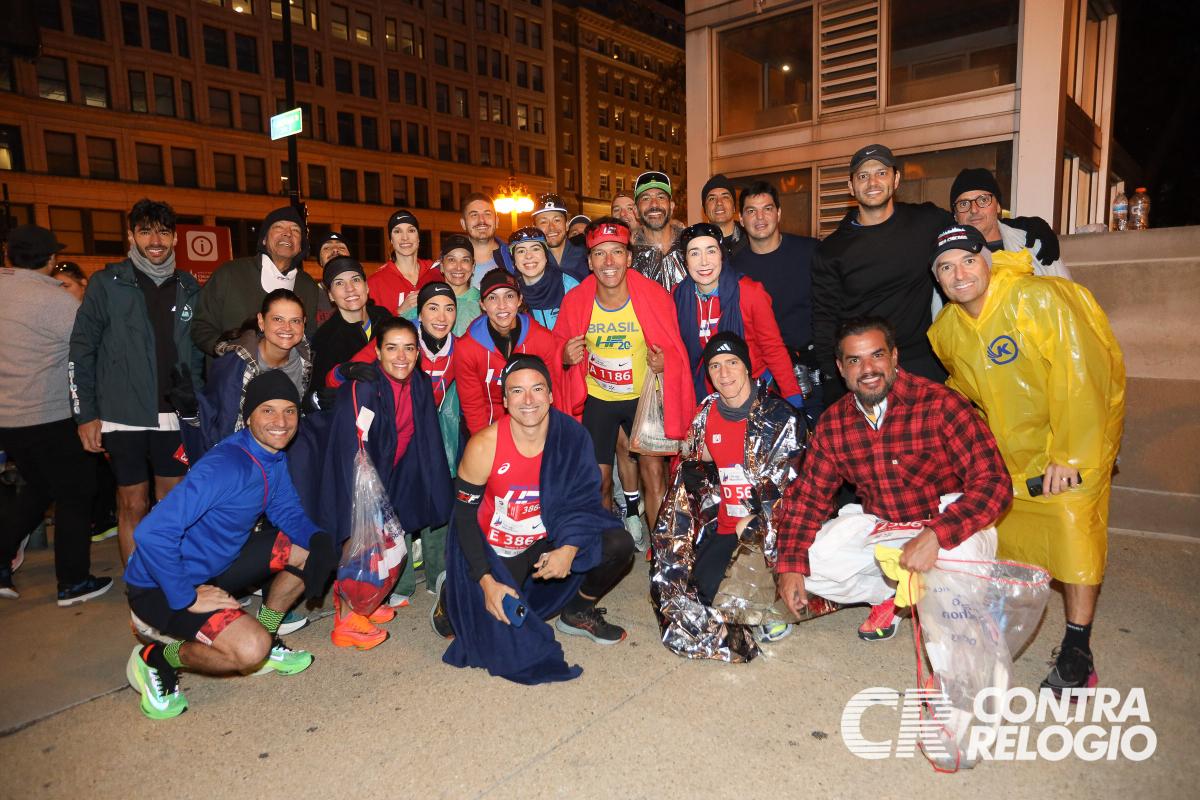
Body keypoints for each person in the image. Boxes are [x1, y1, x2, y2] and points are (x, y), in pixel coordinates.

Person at [926, 224, 1124, 695]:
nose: (959, 274)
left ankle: (1078, 646)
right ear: (937, 280)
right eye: (946, 268)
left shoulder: (1040, 298)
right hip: (1010, 457)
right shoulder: (946, 331)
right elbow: (964, 395)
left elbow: (1083, 371)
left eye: (968, 260)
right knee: (1008, 549)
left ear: (987, 261)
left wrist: (1070, 453)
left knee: (1075, 541)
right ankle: (995, 638)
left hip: (1073, 441)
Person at [775, 317, 1012, 642]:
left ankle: (953, 654)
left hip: (950, 528)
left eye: (877, 355)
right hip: (888, 528)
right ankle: (895, 596)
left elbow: (994, 484)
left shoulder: (940, 404)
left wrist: (934, 536)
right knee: (809, 564)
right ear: (841, 369)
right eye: (855, 360)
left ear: (895, 357)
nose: (868, 369)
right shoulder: (834, 423)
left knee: (952, 580)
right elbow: (808, 498)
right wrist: (790, 565)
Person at [123, 371, 335, 719]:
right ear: (249, 415)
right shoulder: (227, 465)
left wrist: (319, 541)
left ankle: (267, 634)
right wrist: (186, 596)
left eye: (289, 411)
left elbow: (285, 509)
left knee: (307, 546)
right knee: (248, 650)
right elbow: (150, 533)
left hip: (216, 568)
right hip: (160, 585)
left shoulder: (270, 454)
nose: (281, 422)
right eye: (268, 411)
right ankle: (157, 659)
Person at [438, 354, 635, 684]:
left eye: (537, 389)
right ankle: (452, 600)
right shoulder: (484, 445)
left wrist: (570, 548)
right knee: (503, 640)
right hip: (497, 549)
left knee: (618, 543)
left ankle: (577, 611)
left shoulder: (571, 436)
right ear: (504, 399)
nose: (528, 400)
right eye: (517, 391)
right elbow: (464, 519)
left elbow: (585, 502)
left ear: (551, 395)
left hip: (549, 538)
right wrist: (486, 580)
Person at [653, 333, 813, 661]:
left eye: (732, 363)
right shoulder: (707, 415)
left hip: (769, 529)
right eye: (715, 366)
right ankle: (754, 605)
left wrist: (761, 519)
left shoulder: (779, 417)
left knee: (731, 590)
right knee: (690, 593)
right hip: (726, 528)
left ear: (747, 368)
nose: (724, 373)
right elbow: (693, 472)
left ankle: (771, 605)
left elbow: (798, 489)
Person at [69, 199, 204, 564]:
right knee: (132, 502)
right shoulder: (106, 283)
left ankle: (170, 580)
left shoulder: (190, 287)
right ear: (131, 236)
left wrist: (199, 405)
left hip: (174, 414)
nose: (155, 240)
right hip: (120, 413)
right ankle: (139, 593)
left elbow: (198, 353)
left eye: (163, 231)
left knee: (174, 503)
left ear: (176, 238)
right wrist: (85, 414)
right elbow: (81, 351)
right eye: (145, 231)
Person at [556, 218, 694, 544]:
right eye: (600, 254)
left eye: (616, 252)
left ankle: (662, 552)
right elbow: (556, 351)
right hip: (597, 400)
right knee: (599, 481)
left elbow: (675, 350)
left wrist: (664, 364)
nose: (608, 262)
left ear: (629, 257)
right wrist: (564, 356)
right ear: (589, 262)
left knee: (654, 476)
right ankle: (609, 549)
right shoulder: (575, 301)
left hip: (641, 397)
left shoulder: (654, 296)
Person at [320, 318, 453, 649]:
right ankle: (347, 619)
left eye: (409, 348)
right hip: (358, 475)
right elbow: (352, 445)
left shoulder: (418, 382)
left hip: (390, 470)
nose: (401, 357)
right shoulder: (366, 384)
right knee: (357, 540)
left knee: (376, 541)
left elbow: (421, 436)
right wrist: (364, 494)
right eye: (391, 348)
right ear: (377, 351)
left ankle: (361, 602)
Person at [0, 225, 110, 605]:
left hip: (7, 419)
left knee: (40, 488)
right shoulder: (54, 301)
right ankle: (73, 582)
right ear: (49, 260)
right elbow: (92, 348)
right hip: (48, 415)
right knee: (77, 494)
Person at [811, 145, 953, 405]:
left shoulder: (926, 222)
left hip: (920, 362)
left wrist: (1023, 228)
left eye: (881, 173)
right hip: (865, 369)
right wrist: (834, 379)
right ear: (851, 187)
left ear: (896, 179)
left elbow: (973, 227)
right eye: (863, 176)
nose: (872, 182)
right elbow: (824, 321)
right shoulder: (832, 250)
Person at [672, 223, 803, 406]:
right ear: (685, 261)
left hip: (753, 391)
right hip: (703, 395)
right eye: (694, 253)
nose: (704, 261)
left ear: (721, 255)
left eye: (711, 251)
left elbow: (773, 348)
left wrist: (793, 398)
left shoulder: (749, 292)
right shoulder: (678, 297)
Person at [730, 181, 822, 421]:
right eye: (751, 211)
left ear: (779, 213)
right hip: (762, 376)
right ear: (741, 218)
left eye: (767, 209)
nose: (760, 217)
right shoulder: (733, 270)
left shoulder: (810, 252)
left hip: (811, 369)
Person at [190, 290, 311, 455]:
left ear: (304, 323)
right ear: (261, 321)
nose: (287, 328)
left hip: (285, 454)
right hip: (239, 455)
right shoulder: (234, 365)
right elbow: (219, 423)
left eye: (295, 321)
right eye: (277, 319)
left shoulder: (306, 360)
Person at [191, 206, 319, 357]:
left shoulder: (308, 286)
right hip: (234, 376)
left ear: (300, 247)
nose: (287, 233)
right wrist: (226, 350)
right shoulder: (230, 273)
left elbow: (309, 335)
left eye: (296, 230)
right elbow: (200, 324)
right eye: (278, 227)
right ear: (264, 239)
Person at [456, 268, 564, 434]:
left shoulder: (542, 340)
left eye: (509, 296)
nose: (502, 305)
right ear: (482, 304)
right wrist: (485, 446)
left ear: (520, 300)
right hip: (490, 429)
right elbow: (473, 406)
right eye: (492, 298)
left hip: (534, 427)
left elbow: (552, 393)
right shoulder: (467, 348)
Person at [949, 168, 1070, 279]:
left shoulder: (1033, 244)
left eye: (983, 200)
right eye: (963, 204)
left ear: (998, 206)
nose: (974, 209)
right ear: (955, 215)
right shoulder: (947, 256)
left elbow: (1067, 294)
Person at [309, 256, 392, 411]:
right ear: (331, 295)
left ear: (366, 286)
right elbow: (315, 395)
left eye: (355, 280)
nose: (350, 288)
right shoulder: (325, 338)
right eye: (339, 283)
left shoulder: (385, 318)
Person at [368, 209, 442, 316]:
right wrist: (399, 311)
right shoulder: (375, 282)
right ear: (391, 240)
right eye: (397, 231)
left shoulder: (436, 271)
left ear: (418, 237)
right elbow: (372, 328)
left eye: (411, 230)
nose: (405, 237)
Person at [508, 226, 579, 330]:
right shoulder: (510, 292)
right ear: (514, 259)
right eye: (521, 251)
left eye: (535, 249)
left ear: (546, 255)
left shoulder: (570, 286)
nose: (528, 256)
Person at [629, 171, 687, 291]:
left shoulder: (690, 246)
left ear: (671, 207)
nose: (654, 204)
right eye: (646, 198)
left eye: (661, 197)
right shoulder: (628, 258)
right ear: (635, 210)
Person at [460, 193, 514, 287]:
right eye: (474, 215)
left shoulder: (514, 258)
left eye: (487, 214)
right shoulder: (448, 266)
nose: (481, 220)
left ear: (496, 221)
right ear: (463, 223)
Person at [531, 193, 589, 281]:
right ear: (535, 228)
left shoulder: (586, 256)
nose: (551, 227)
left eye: (557, 220)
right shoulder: (531, 261)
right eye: (543, 222)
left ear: (566, 225)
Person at [434, 234, 481, 336]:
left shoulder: (484, 303)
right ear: (441, 266)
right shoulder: (428, 299)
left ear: (473, 266)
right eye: (451, 259)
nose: (458, 267)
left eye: (465, 260)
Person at [701, 174, 748, 260]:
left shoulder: (751, 240)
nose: (719, 202)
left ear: (734, 207)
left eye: (725, 197)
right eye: (712, 199)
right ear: (705, 210)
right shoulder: (696, 243)